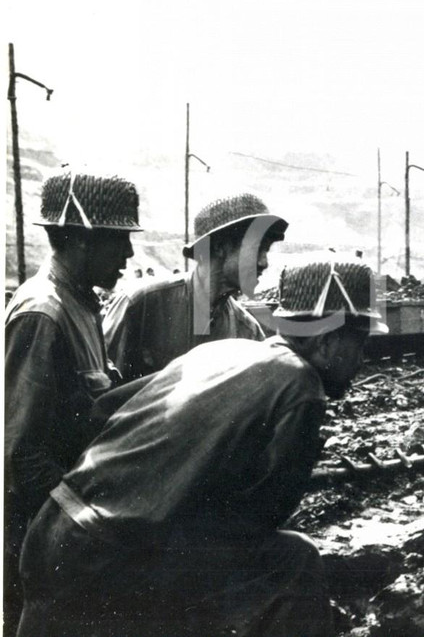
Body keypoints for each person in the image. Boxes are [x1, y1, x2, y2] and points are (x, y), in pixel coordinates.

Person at [17, 260, 388, 636]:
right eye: (361, 344)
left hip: (53, 534)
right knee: (295, 560)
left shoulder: (223, 351)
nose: (362, 360)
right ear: (326, 341)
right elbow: (261, 519)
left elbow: (103, 410)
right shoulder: (302, 387)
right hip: (107, 563)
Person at [4, 171, 141, 629]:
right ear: (81, 239)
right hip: (41, 542)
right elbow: (20, 456)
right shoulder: (44, 313)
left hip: (68, 537)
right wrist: (84, 528)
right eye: (119, 238)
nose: (129, 253)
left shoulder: (81, 304)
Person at [104, 192, 288, 382]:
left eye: (266, 251)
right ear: (220, 246)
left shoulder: (247, 332)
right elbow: (103, 392)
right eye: (258, 248)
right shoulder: (141, 304)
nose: (264, 262)